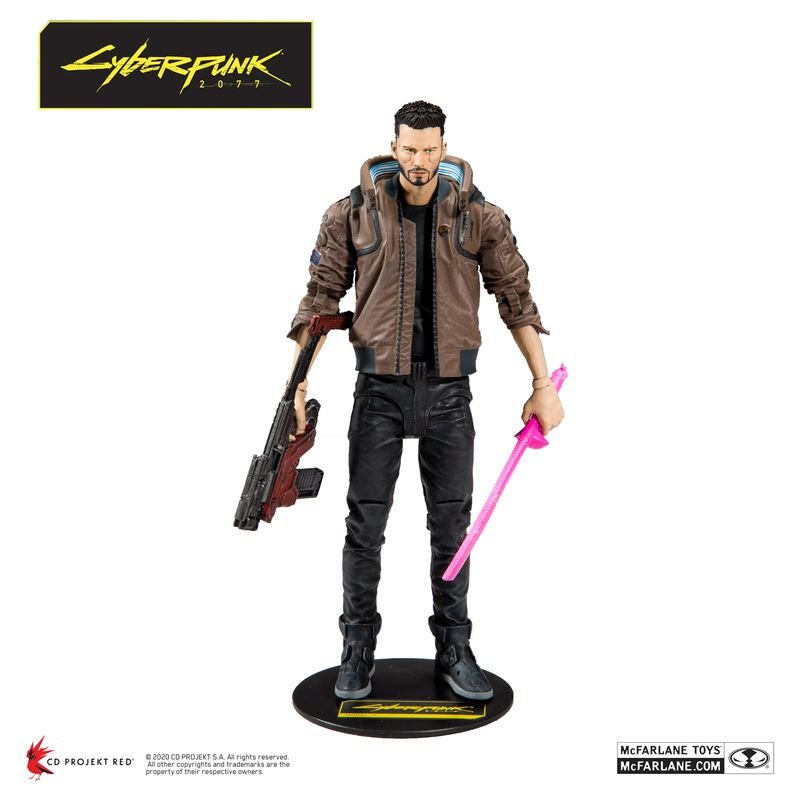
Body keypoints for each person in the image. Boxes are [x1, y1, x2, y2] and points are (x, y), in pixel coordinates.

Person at [286, 100, 563, 701]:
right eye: (409, 149)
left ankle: (454, 646)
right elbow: (319, 303)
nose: (418, 160)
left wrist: (541, 385)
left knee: (453, 527)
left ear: (444, 149)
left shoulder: (479, 217)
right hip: (378, 391)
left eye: (429, 149)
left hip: (448, 394)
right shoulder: (352, 215)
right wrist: (298, 388)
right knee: (365, 525)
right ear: (394, 147)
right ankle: (357, 646)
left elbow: (515, 297)